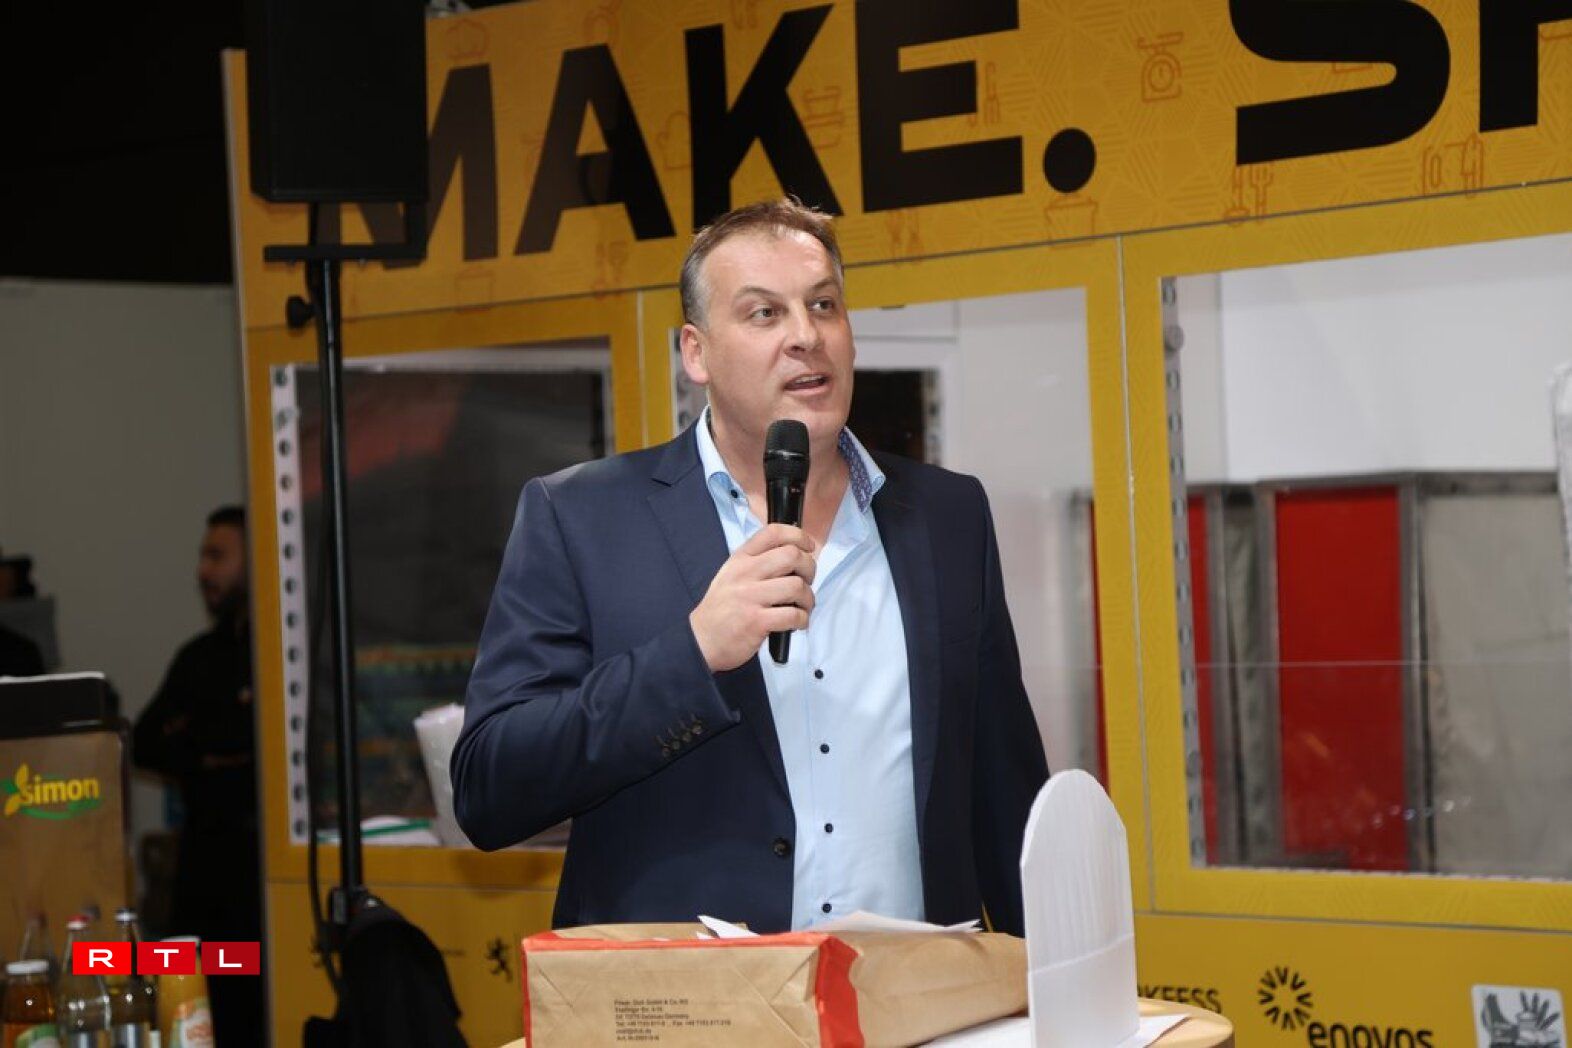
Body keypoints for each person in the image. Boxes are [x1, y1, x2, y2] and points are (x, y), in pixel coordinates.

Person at [453, 199, 1048, 935]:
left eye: (823, 305)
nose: (806, 336)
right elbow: (490, 789)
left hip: (913, 990)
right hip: (689, 996)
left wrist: (1048, 979)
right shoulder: (580, 518)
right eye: (764, 313)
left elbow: (1005, 791)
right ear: (696, 353)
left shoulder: (947, 516)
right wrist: (694, 652)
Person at [133, 505, 264, 1045]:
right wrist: (207, 757)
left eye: (217, 556)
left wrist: (218, 747)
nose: (202, 571)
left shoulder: (280, 656)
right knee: (199, 1008)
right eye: (203, 556)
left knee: (258, 1008)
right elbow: (145, 741)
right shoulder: (199, 658)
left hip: (261, 876)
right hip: (205, 873)